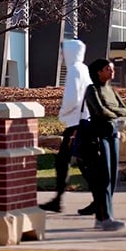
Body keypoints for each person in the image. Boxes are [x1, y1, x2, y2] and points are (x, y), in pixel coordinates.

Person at [40, 39, 95, 215]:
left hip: (75, 123)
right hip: (82, 120)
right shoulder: (84, 68)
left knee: (77, 162)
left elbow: (72, 98)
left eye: (64, 51)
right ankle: (59, 200)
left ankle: (99, 200)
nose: (62, 55)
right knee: (71, 161)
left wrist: (62, 113)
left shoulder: (74, 70)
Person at [84, 58, 126, 231]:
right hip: (98, 137)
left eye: (111, 69)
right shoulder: (92, 89)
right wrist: (114, 113)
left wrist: (113, 112)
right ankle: (105, 218)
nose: (112, 72)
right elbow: (100, 111)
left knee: (112, 177)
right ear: (98, 72)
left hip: (113, 135)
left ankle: (101, 216)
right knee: (103, 177)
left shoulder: (111, 90)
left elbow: (125, 109)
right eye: (108, 69)